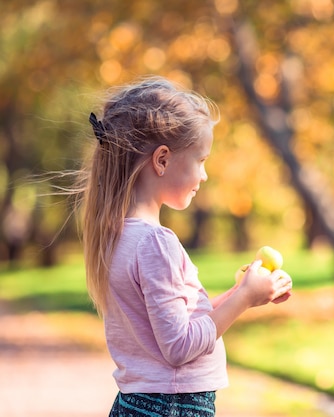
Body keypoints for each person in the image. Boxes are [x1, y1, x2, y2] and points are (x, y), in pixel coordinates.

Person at [79, 76, 293, 416]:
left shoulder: (117, 235)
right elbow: (178, 347)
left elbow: (171, 323)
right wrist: (243, 298)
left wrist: (243, 292)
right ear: (162, 160)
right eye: (201, 160)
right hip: (173, 406)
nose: (205, 175)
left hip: (139, 404)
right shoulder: (155, 243)